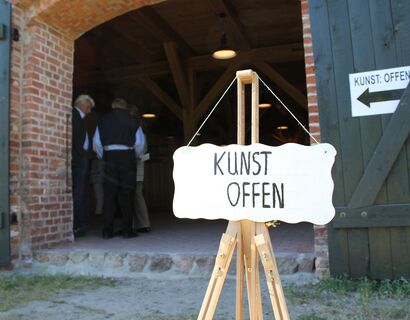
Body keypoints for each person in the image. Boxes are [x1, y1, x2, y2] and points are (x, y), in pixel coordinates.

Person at [93, 98, 143, 239]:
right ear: (125, 107)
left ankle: (107, 231)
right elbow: (139, 142)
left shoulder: (103, 120)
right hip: (127, 157)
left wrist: (104, 155)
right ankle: (127, 231)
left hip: (110, 158)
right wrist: (135, 155)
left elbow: (96, 142)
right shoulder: (134, 120)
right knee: (128, 195)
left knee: (109, 196)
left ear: (112, 106)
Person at [72, 94, 95, 238]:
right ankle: (75, 225)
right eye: (88, 106)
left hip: (82, 159)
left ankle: (79, 224)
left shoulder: (79, 117)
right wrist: (81, 156)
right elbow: (74, 139)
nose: (89, 111)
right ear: (81, 103)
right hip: (79, 160)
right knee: (78, 193)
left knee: (81, 192)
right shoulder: (74, 115)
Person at [129, 105, 151, 233]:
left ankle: (135, 224)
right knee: (137, 194)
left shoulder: (135, 127)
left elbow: (140, 146)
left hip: (134, 162)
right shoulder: (141, 127)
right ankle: (143, 223)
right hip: (139, 163)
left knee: (133, 194)